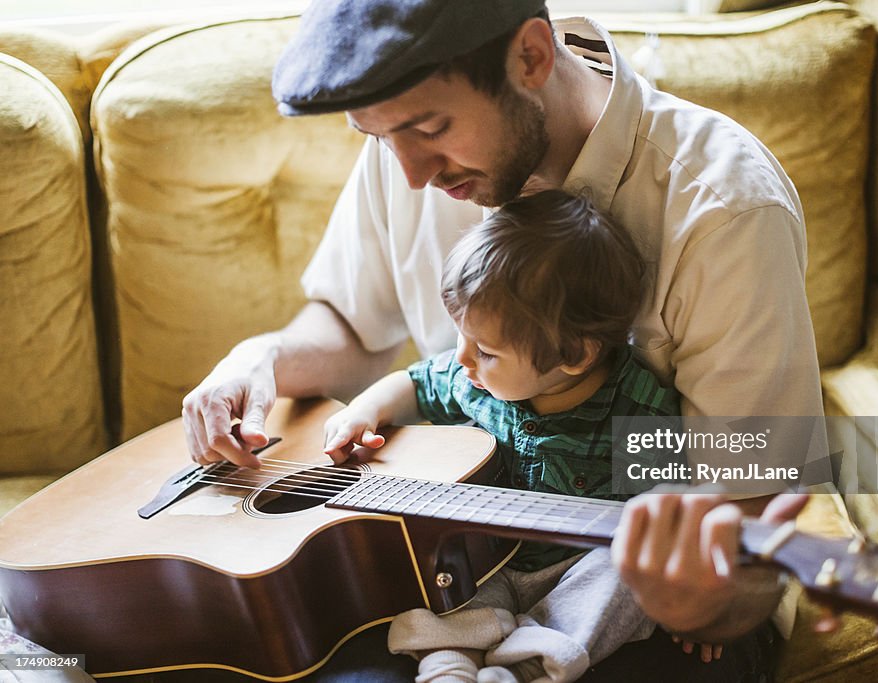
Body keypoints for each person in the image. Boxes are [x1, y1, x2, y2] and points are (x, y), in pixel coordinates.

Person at [182, 0, 822, 678]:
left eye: (430, 128)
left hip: (654, 606)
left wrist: (694, 598)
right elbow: (351, 325)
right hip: (470, 568)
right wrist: (262, 357)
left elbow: (753, 512)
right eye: (378, 138)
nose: (412, 176)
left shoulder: (724, 210)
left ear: (531, 58)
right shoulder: (412, 149)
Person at [322, 189, 679, 682]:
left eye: (486, 350)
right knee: (438, 569)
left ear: (574, 355)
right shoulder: (470, 378)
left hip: (577, 574)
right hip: (484, 564)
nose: (462, 358)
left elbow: (682, 507)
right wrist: (362, 412)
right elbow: (413, 382)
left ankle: (532, 663)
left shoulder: (640, 410)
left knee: (629, 570)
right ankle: (449, 666)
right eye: (461, 336)